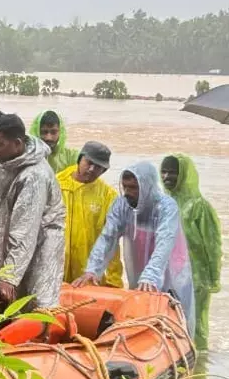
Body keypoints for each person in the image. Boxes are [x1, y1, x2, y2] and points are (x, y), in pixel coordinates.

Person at [74, 163, 196, 337]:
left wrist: (151, 274)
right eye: (125, 187)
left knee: (176, 311)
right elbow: (108, 237)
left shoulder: (166, 207)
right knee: (142, 302)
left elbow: (165, 242)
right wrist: (93, 269)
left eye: (133, 188)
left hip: (171, 265)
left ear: (147, 186)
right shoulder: (122, 205)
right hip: (139, 262)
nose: (128, 192)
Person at [0, 114, 66, 307]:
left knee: (37, 302)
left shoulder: (34, 175)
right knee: (4, 296)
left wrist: (9, 275)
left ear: (18, 143)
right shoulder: (5, 161)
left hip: (41, 242)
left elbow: (25, 230)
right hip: (12, 239)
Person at [161, 154, 222, 349]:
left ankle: (200, 368)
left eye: (172, 172)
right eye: (164, 171)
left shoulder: (199, 207)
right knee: (172, 321)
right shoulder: (163, 203)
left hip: (197, 278)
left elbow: (212, 246)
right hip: (170, 274)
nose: (166, 176)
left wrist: (214, 278)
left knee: (196, 326)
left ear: (184, 175)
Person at [57, 142, 123, 288]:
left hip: (87, 273)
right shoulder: (57, 184)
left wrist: (114, 280)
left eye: (98, 166)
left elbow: (111, 240)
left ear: (104, 170)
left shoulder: (108, 196)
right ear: (80, 159)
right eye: (89, 163)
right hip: (55, 267)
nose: (92, 169)